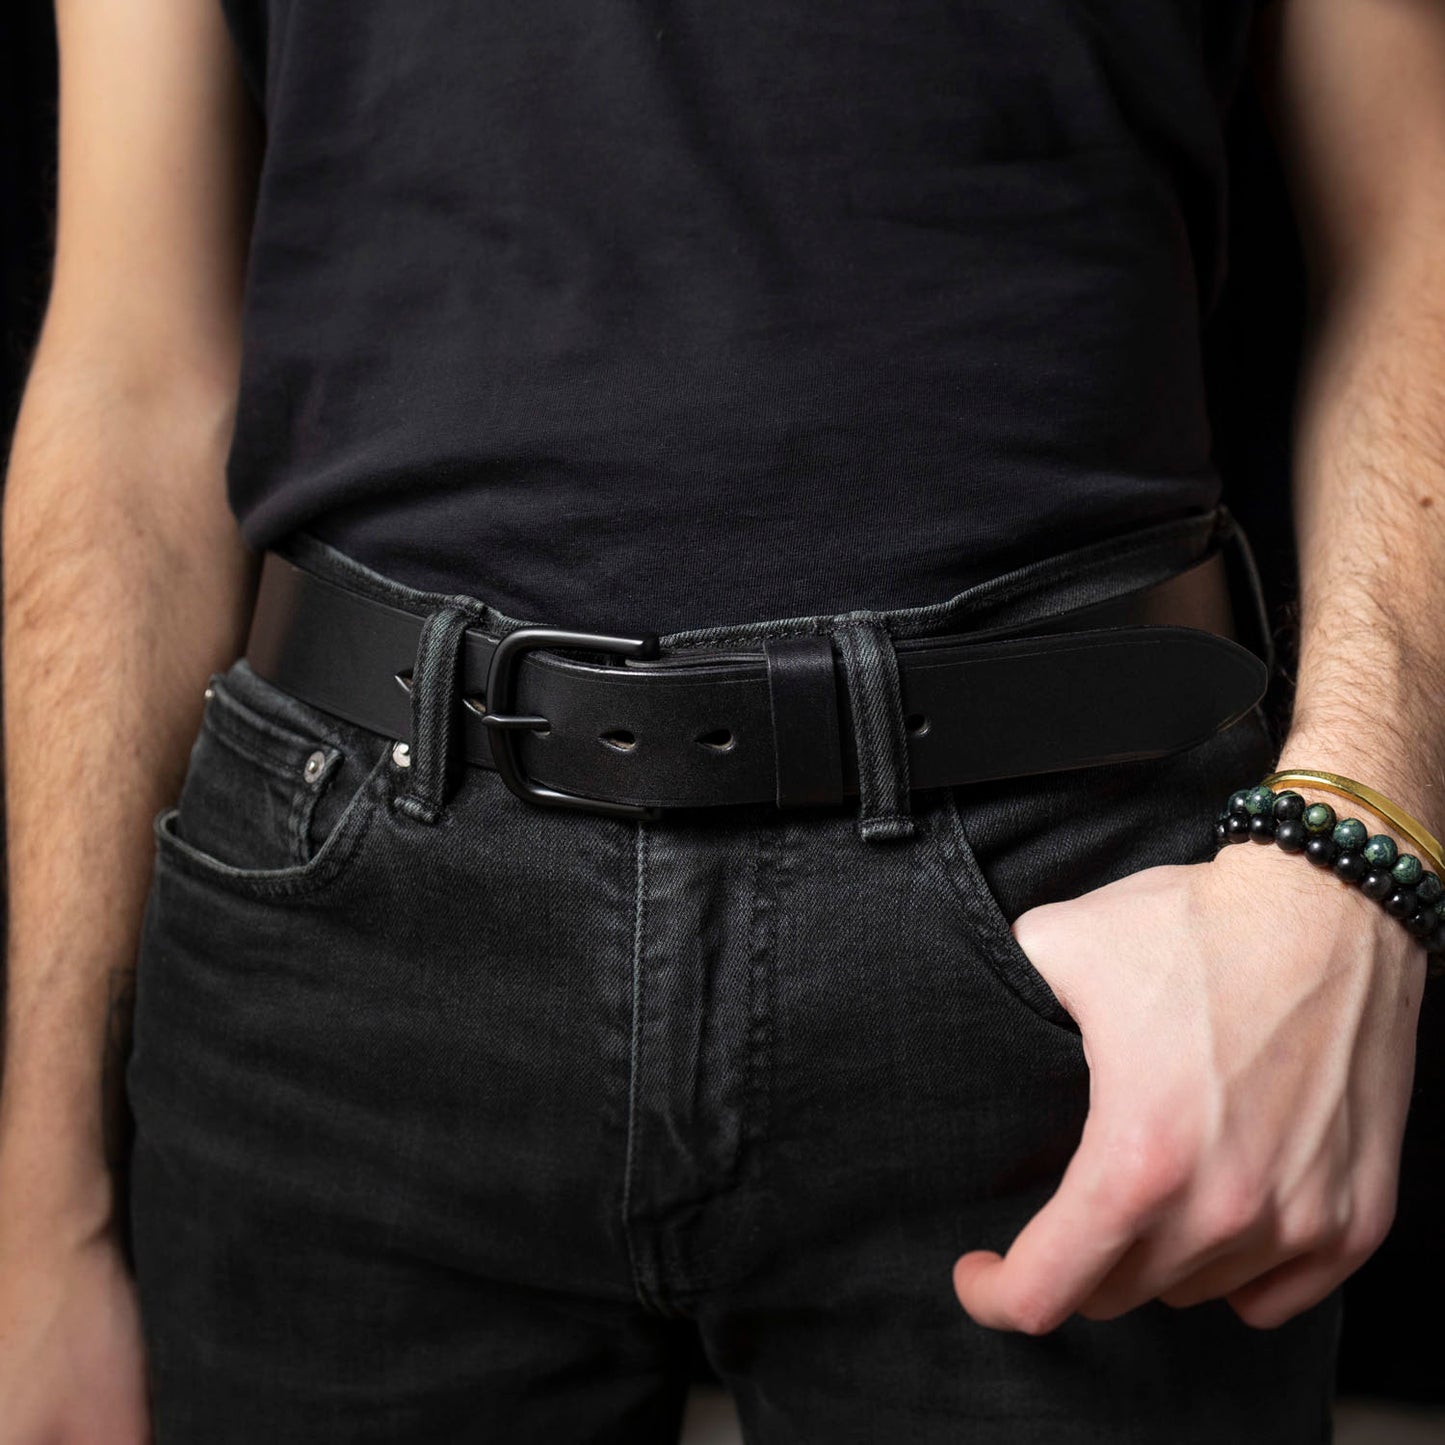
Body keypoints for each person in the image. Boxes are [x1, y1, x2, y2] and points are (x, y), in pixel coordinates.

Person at [1, 0, 1442, 1440]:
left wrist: (1353, 848)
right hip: (347, 940)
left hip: (1061, 921)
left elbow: (1415, 223)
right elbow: (133, 373)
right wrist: (38, 1221)